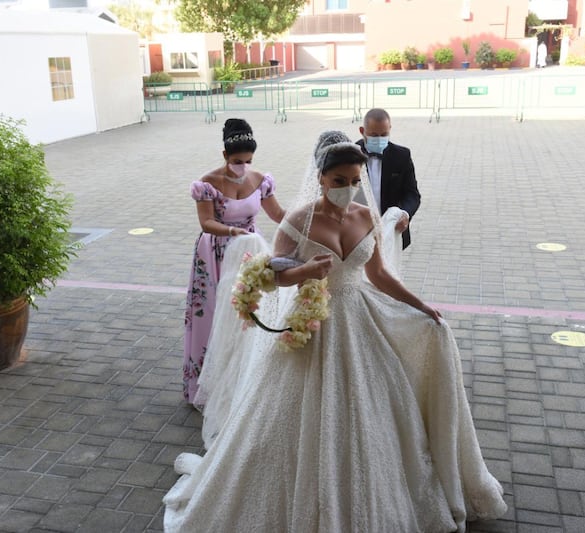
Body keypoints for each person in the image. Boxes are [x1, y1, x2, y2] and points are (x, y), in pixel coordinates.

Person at [164, 130, 508, 532]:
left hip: (360, 319)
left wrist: (419, 304)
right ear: (322, 178)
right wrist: (305, 271)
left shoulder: (365, 217)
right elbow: (273, 277)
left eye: (355, 181)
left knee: (376, 404)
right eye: (340, 181)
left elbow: (378, 274)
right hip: (313, 325)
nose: (348, 189)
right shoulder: (297, 220)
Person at [182, 118, 284, 409]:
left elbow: (277, 213)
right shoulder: (207, 184)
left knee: (250, 314)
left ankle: (247, 379)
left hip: (250, 251)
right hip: (216, 252)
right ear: (224, 155)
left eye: (248, 161)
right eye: (237, 161)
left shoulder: (260, 180)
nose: (243, 167)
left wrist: (307, 218)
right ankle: (209, 384)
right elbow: (206, 222)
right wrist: (231, 231)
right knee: (214, 314)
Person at [356, 107, 421, 250]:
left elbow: (412, 194)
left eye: (384, 134)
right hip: (357, 234)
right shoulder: (350, 154)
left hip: (391, 233)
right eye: (373, 135)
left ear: (390, 129)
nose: (379, 139)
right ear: (362, 131)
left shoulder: (402, 156)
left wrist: (405, 213)